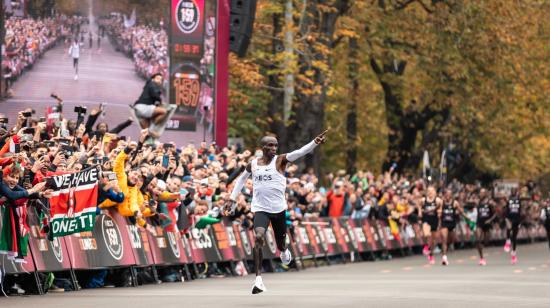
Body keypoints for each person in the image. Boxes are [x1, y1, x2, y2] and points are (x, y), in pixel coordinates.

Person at [224, 129, 329, 294]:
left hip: (279, 210)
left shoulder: (280, 160)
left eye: (275, 146)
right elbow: (242, 179)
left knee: (281, 244)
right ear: (263, 147)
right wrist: (232, 198)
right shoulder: (253, 164)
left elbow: (300, 152)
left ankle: (284, 251)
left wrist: (314, 143)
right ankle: (258, 280)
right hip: (260, 209)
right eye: (270, 146)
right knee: (258, 237)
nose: (274, 149)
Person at [439, 188, 465, 265]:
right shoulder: (441, 202)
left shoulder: (455, 203)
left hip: (452, 224)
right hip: (444, 223)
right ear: (444, 195)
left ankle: (446, 249)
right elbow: (437, 209)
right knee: (444, 239)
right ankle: (444, 257)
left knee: (450, 240)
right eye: (446, 194)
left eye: (449, 194)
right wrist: (439, 213)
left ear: (451, 195)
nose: (447, 196)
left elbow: (461, 212)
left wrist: (467, 218)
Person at [417, 185, 442, 265]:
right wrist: (420, 211)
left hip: (434, 220)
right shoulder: (423, 200)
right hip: (426, 219)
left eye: (432, 191)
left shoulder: (438, 200)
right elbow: (418, 205)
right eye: (429, 191)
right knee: (426, 234)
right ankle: (426, 246)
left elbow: (440, 209)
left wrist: (439, 213)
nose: (430, 193)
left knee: (434, 239)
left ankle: (431, 255)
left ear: (434, 192)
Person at [475, 188, 496, 266]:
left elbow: (495, 214)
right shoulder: (478, 202)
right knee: (477, 240)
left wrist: (490, 220)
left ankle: (483, 245)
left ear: (485, 194)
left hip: (487, 223)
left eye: (482, 193)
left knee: (486, 241)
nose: (480, 194)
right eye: (480, 192)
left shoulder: (490, 202)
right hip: (479, 223)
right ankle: (481, 258)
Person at [503, 188, 522, 264]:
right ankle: (507, 241)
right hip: (509, 217)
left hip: (517, 219)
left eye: (515, 191)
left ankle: (513, 253)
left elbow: (521, 210)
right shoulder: (508, 199)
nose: (513, 192)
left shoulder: (519, 200)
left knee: (514, 237)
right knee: (509, 227)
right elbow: (504, 207)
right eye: (512, 191)